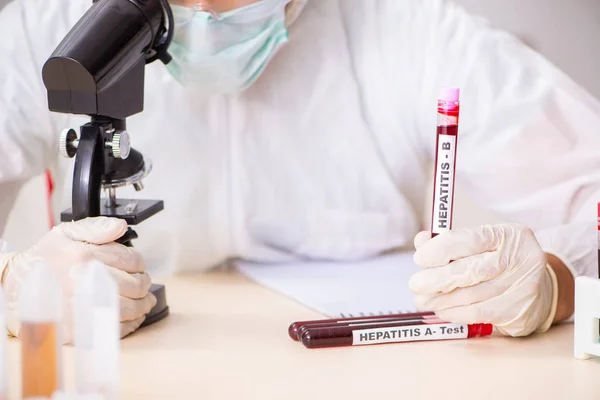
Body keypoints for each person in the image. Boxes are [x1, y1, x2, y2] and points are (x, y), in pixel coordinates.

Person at [1, 0, 599, 343]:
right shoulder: (45, 24)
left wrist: (554, 283)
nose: (207, 11)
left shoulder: (412, 29)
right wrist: (12, 287)